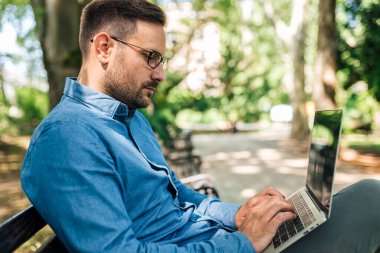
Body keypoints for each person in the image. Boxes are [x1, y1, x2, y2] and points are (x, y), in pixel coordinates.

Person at [20, 0, 380, 252]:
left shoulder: (131, 120)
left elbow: (181, 196)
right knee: (372, 201)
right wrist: (243, 242)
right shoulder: (67, 139)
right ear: (103, 48)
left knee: (363, 198)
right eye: (151, 57)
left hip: (220, 241)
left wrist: (239, 215)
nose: (160, 73)